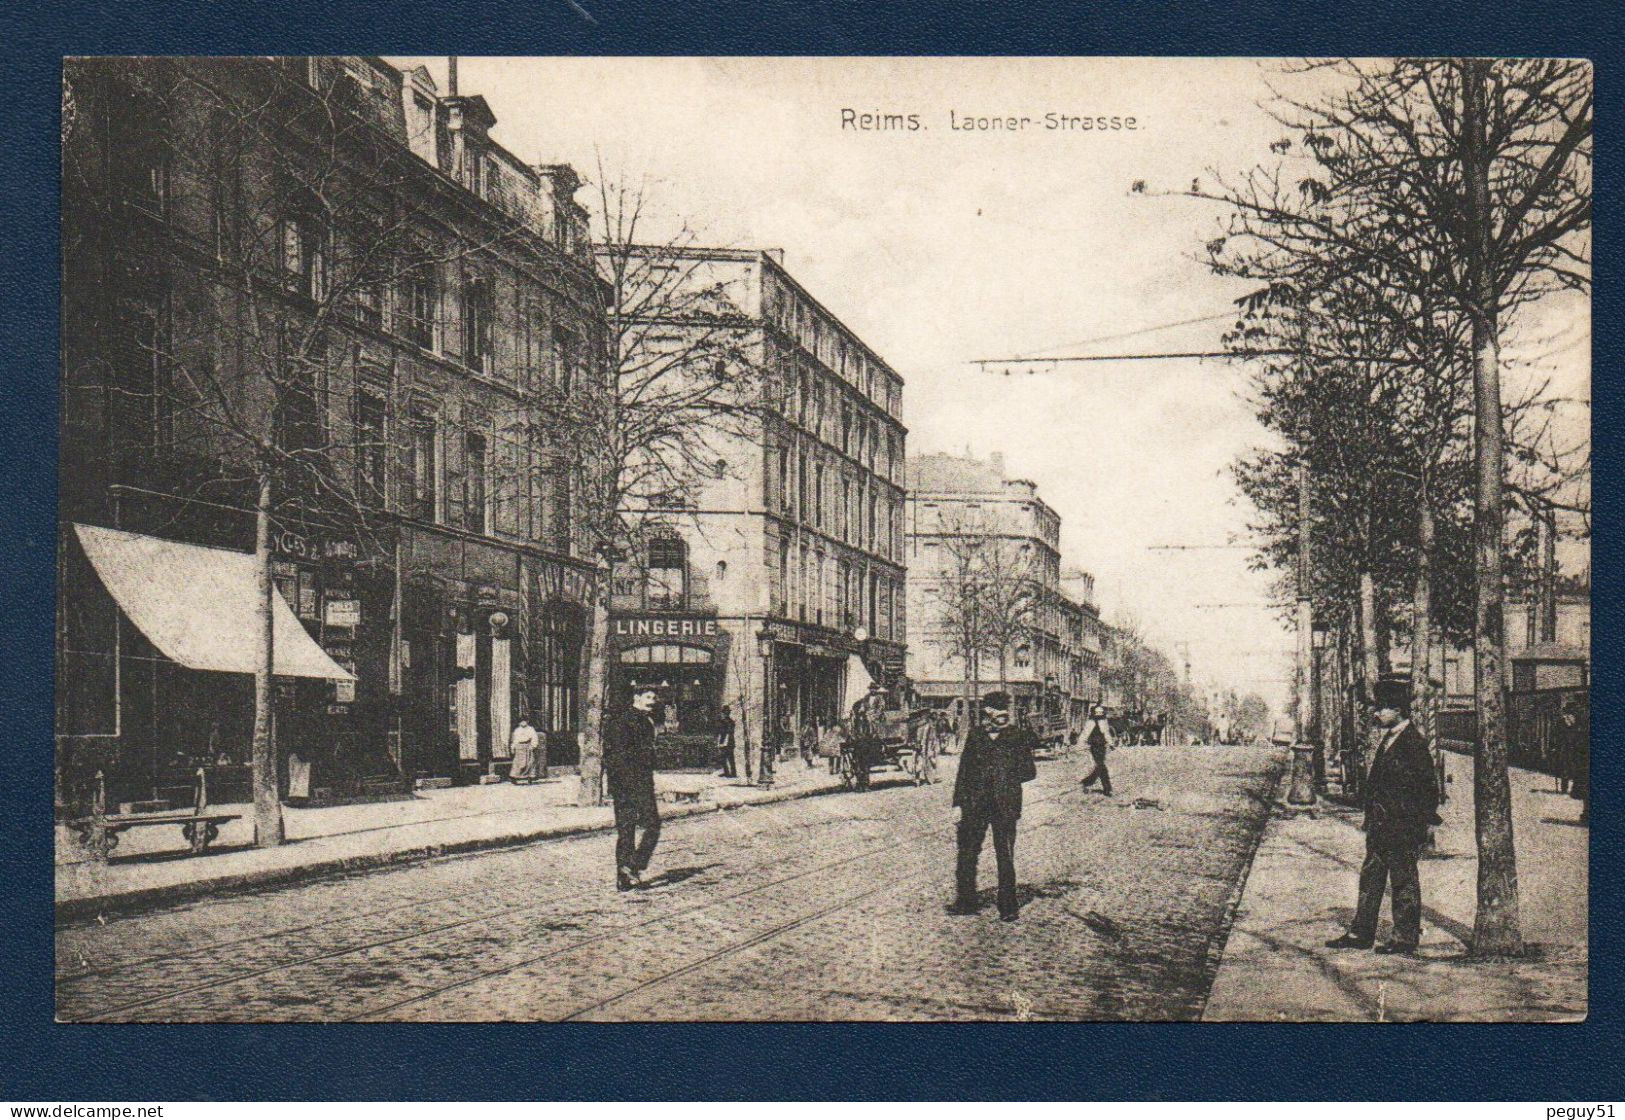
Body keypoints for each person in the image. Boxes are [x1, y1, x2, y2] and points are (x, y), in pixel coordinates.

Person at [1326, 674, 1441, 954]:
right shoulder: (1390, 739)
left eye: (1382, 708)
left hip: (1402, 826)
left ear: (1398, 710)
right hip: (1380, 826)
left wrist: (1423, 823)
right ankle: (1361, 933)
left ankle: (1404, 937)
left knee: (1403, 882)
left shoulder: (1414, 742)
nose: (1377, 713)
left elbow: (1429, 788)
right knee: (1370, 880)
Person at [948, 690, 1039, 922]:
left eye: (1004, 713)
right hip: (974, 804)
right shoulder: (976, 735)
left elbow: (1029, 772)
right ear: (987, 713)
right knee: (967, 853)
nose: (1001, 717)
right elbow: (963, 772)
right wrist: (958, 803)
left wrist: (1006, 776)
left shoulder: (1016, 736)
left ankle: (1008, 906)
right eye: (997, 712)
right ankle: (965, 901)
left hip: (1005, 804)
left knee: (1005, 856)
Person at [606, 687, 662, 891]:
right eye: (648, 697)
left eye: (654, 698)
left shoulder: (647, 721)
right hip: (629, 783)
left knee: (640, 827)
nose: (653, 701)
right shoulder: (623, 721)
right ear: (636, 698)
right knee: (636, 827)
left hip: (639, 781)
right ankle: (628, 871)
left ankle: (629, 869)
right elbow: (616, 755)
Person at [1557, 696, 1588, 824]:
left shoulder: (1580, 721)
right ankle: (1586, 813)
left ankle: (1587, 814)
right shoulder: (1581, 719)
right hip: (1581, 758)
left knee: (1586, 789)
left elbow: (1576, 740)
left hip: (1583, 759)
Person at [1078, 704, 1115, 796]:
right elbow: (1085, 733)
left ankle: (1088, 782)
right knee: (1101, 765)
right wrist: (1080, 744)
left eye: (1100, 713)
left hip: (1102, 746)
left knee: (1100, 765)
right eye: (1097, 713)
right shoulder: (1091, 722)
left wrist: (1111, 744)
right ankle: (1106, 787)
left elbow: (1106, 733)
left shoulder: (1103, 722)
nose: (1098, 715)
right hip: (1094, 746)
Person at [508, 716, 543, 783]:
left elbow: (534, 738)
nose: (523, 723)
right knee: (517, 763)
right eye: (521, 721)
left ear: (527, 721)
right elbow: (515, 740)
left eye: (524, 721)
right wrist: (513, 747)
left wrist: (533, 746)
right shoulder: (517, 730)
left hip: (527, 747)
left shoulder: (530, 729)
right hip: (519, 747)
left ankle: (529, 777)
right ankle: (514, 777)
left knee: (529, 762)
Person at [715, 706, 738, 778]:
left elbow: (728, 733)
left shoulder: (728, 721)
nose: (722, 714)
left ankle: (731, 773)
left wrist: (723, 743)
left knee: (728, 758)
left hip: (728, 742)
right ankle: (728, 772)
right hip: (726, 741)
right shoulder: (726, 721)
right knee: (725, 758)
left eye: (723, 712)